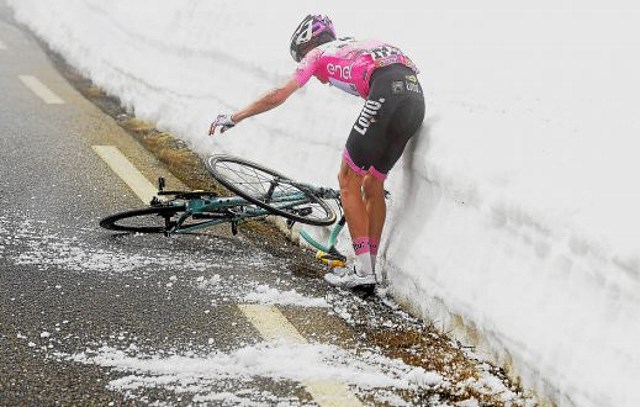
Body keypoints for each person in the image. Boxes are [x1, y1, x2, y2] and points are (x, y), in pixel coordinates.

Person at [209, 15, 425, 288]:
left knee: (347, 180)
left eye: (300, 56)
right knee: (373, 183)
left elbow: (279, 93)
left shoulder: (319, 53)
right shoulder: (352, 44)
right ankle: (367, 268)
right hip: (415, 97)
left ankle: (363, 271)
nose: (305, 65)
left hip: (386, 91)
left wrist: (235, 116)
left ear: (308, 44)